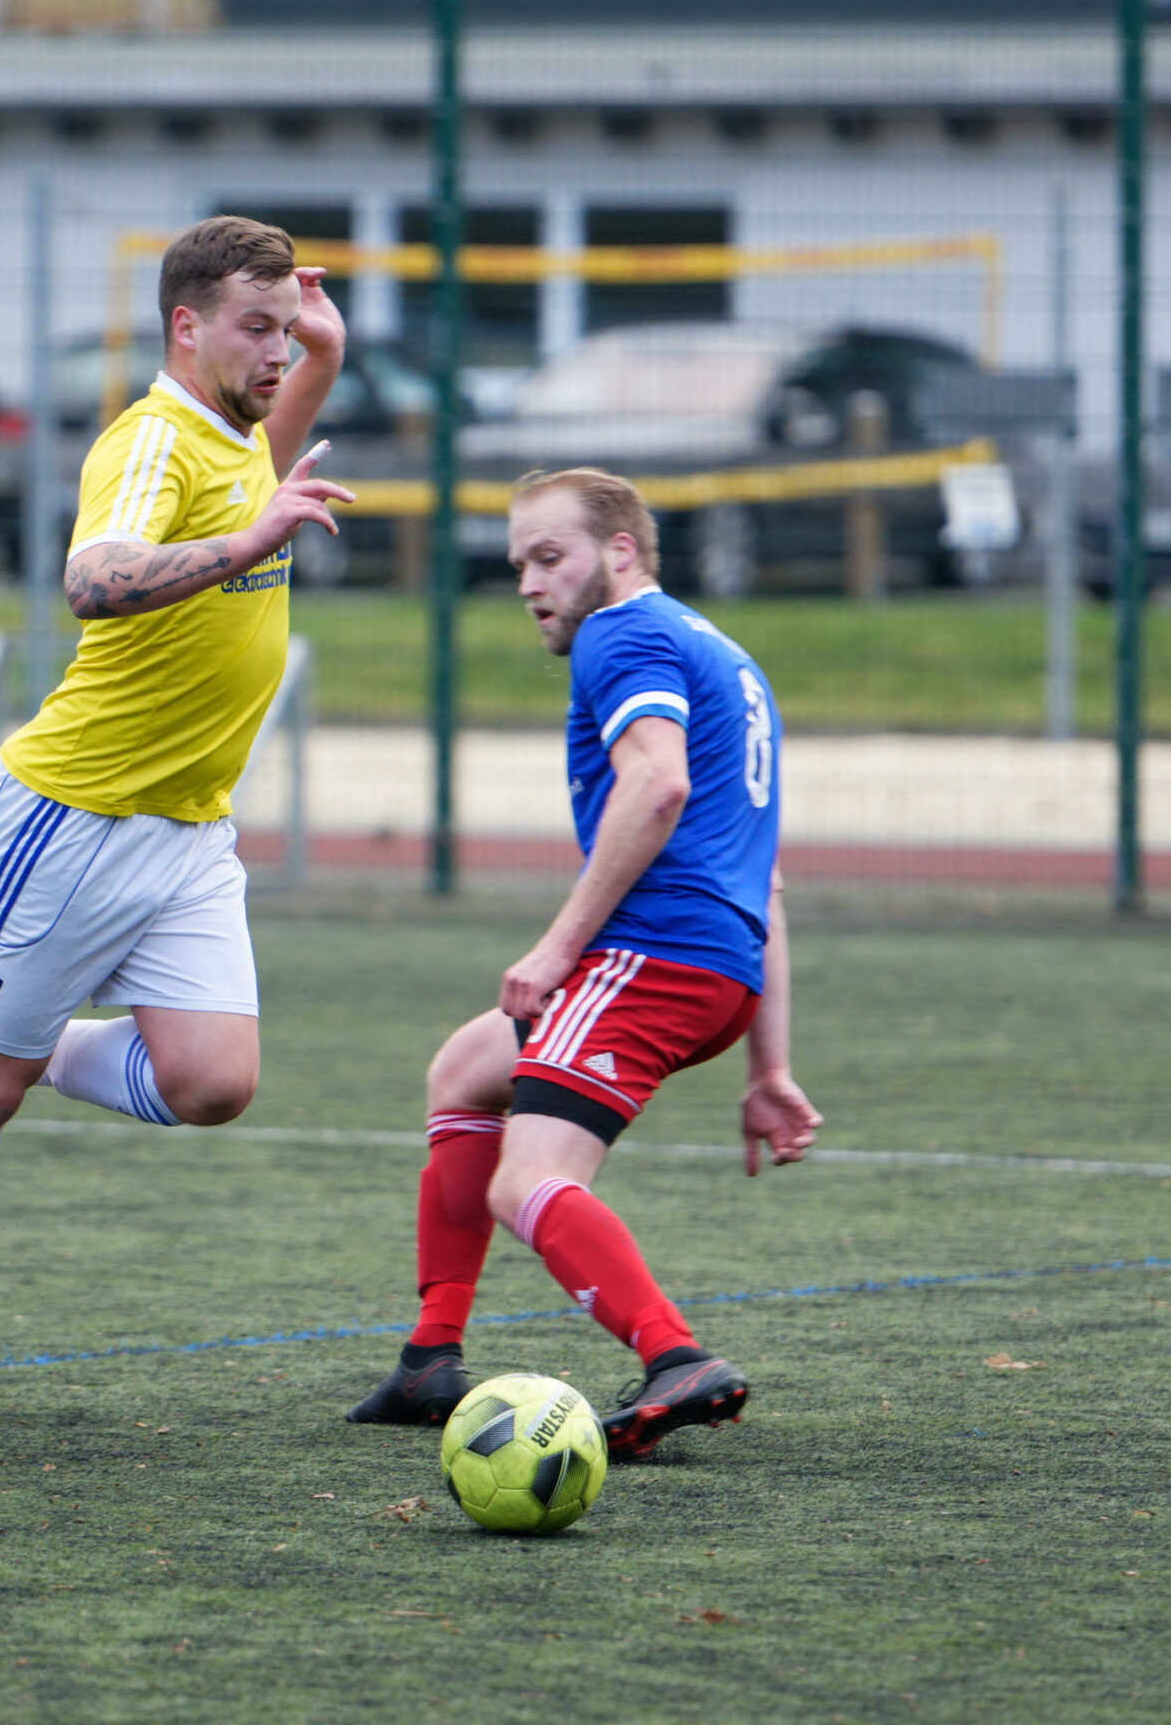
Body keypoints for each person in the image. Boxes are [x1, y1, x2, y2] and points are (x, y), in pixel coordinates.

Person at [0, 217, 355, 1468]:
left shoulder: (237, 437)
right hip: (73, 821)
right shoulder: (147, 439)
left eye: (284, 329)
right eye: (256, 328)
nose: (274, 349)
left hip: (186, 834)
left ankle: (33, 1039)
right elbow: (96, 575)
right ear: (183, 326)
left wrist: (318, 365)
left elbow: (254, 484)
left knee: (213, 1086)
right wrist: (248, 542)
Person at [345, 469, 824, 1460]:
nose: (527, 581)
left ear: (619, 553)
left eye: (548, 557)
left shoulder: (621, 634)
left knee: (526, 1182)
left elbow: (656, 785)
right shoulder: (722, 653)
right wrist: (767, 1066)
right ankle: (430, 1359)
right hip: (717, 964)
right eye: (517, 562)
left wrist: (558, 947)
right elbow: (763, 879)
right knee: (464, 1071)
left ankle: (673, 1358)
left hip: (651, 958)